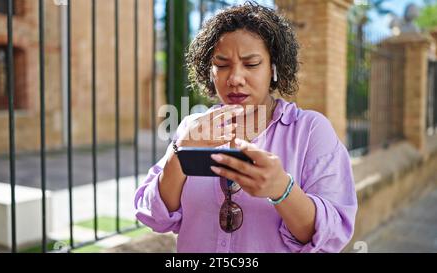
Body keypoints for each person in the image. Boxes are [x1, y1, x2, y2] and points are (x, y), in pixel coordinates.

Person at [134, 2, 357, 253]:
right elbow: (155, 216)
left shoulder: (310, 131)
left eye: (251, 64)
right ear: (209, 70)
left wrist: (282, 189)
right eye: (222, 64)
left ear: (274, 68)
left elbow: (330, 237)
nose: (235, 79)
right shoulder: (191, 127)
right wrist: (180, 152)